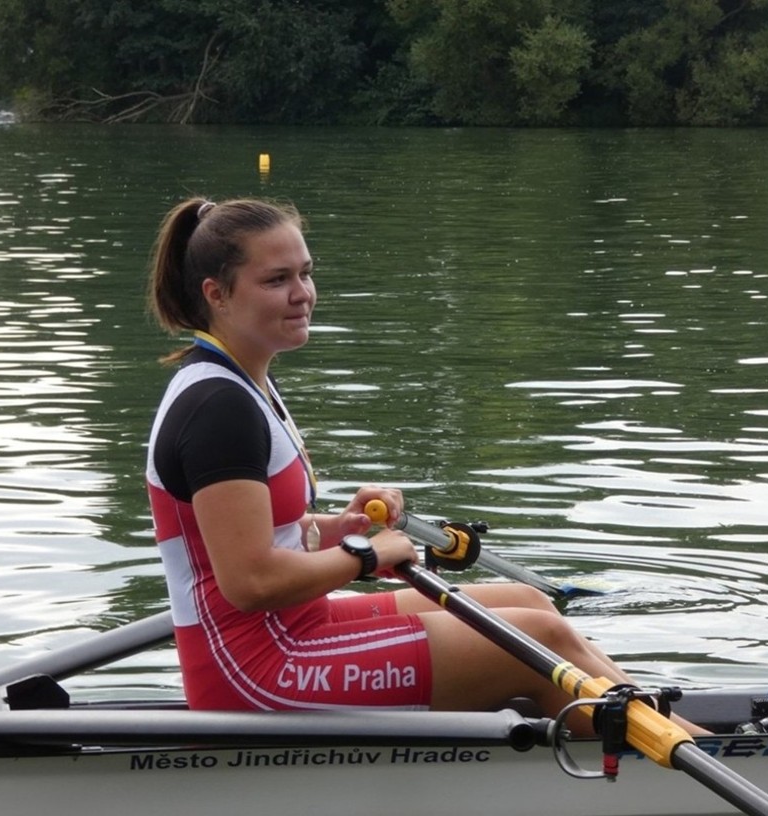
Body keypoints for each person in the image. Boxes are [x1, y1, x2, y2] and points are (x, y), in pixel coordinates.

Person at [145, 196, 707, 737]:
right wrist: (366, 556)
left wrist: (339, 528)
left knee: (529, 603)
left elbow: (265, 535)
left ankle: (662, 726)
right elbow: (250, 583)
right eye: (276, 280)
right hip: (255, 671)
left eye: (306, 273)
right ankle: (698, 753)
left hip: (296, 628)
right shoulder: (218, 408)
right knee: (538, 637)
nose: (303, 294)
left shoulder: (243, 383)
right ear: (217, 294)